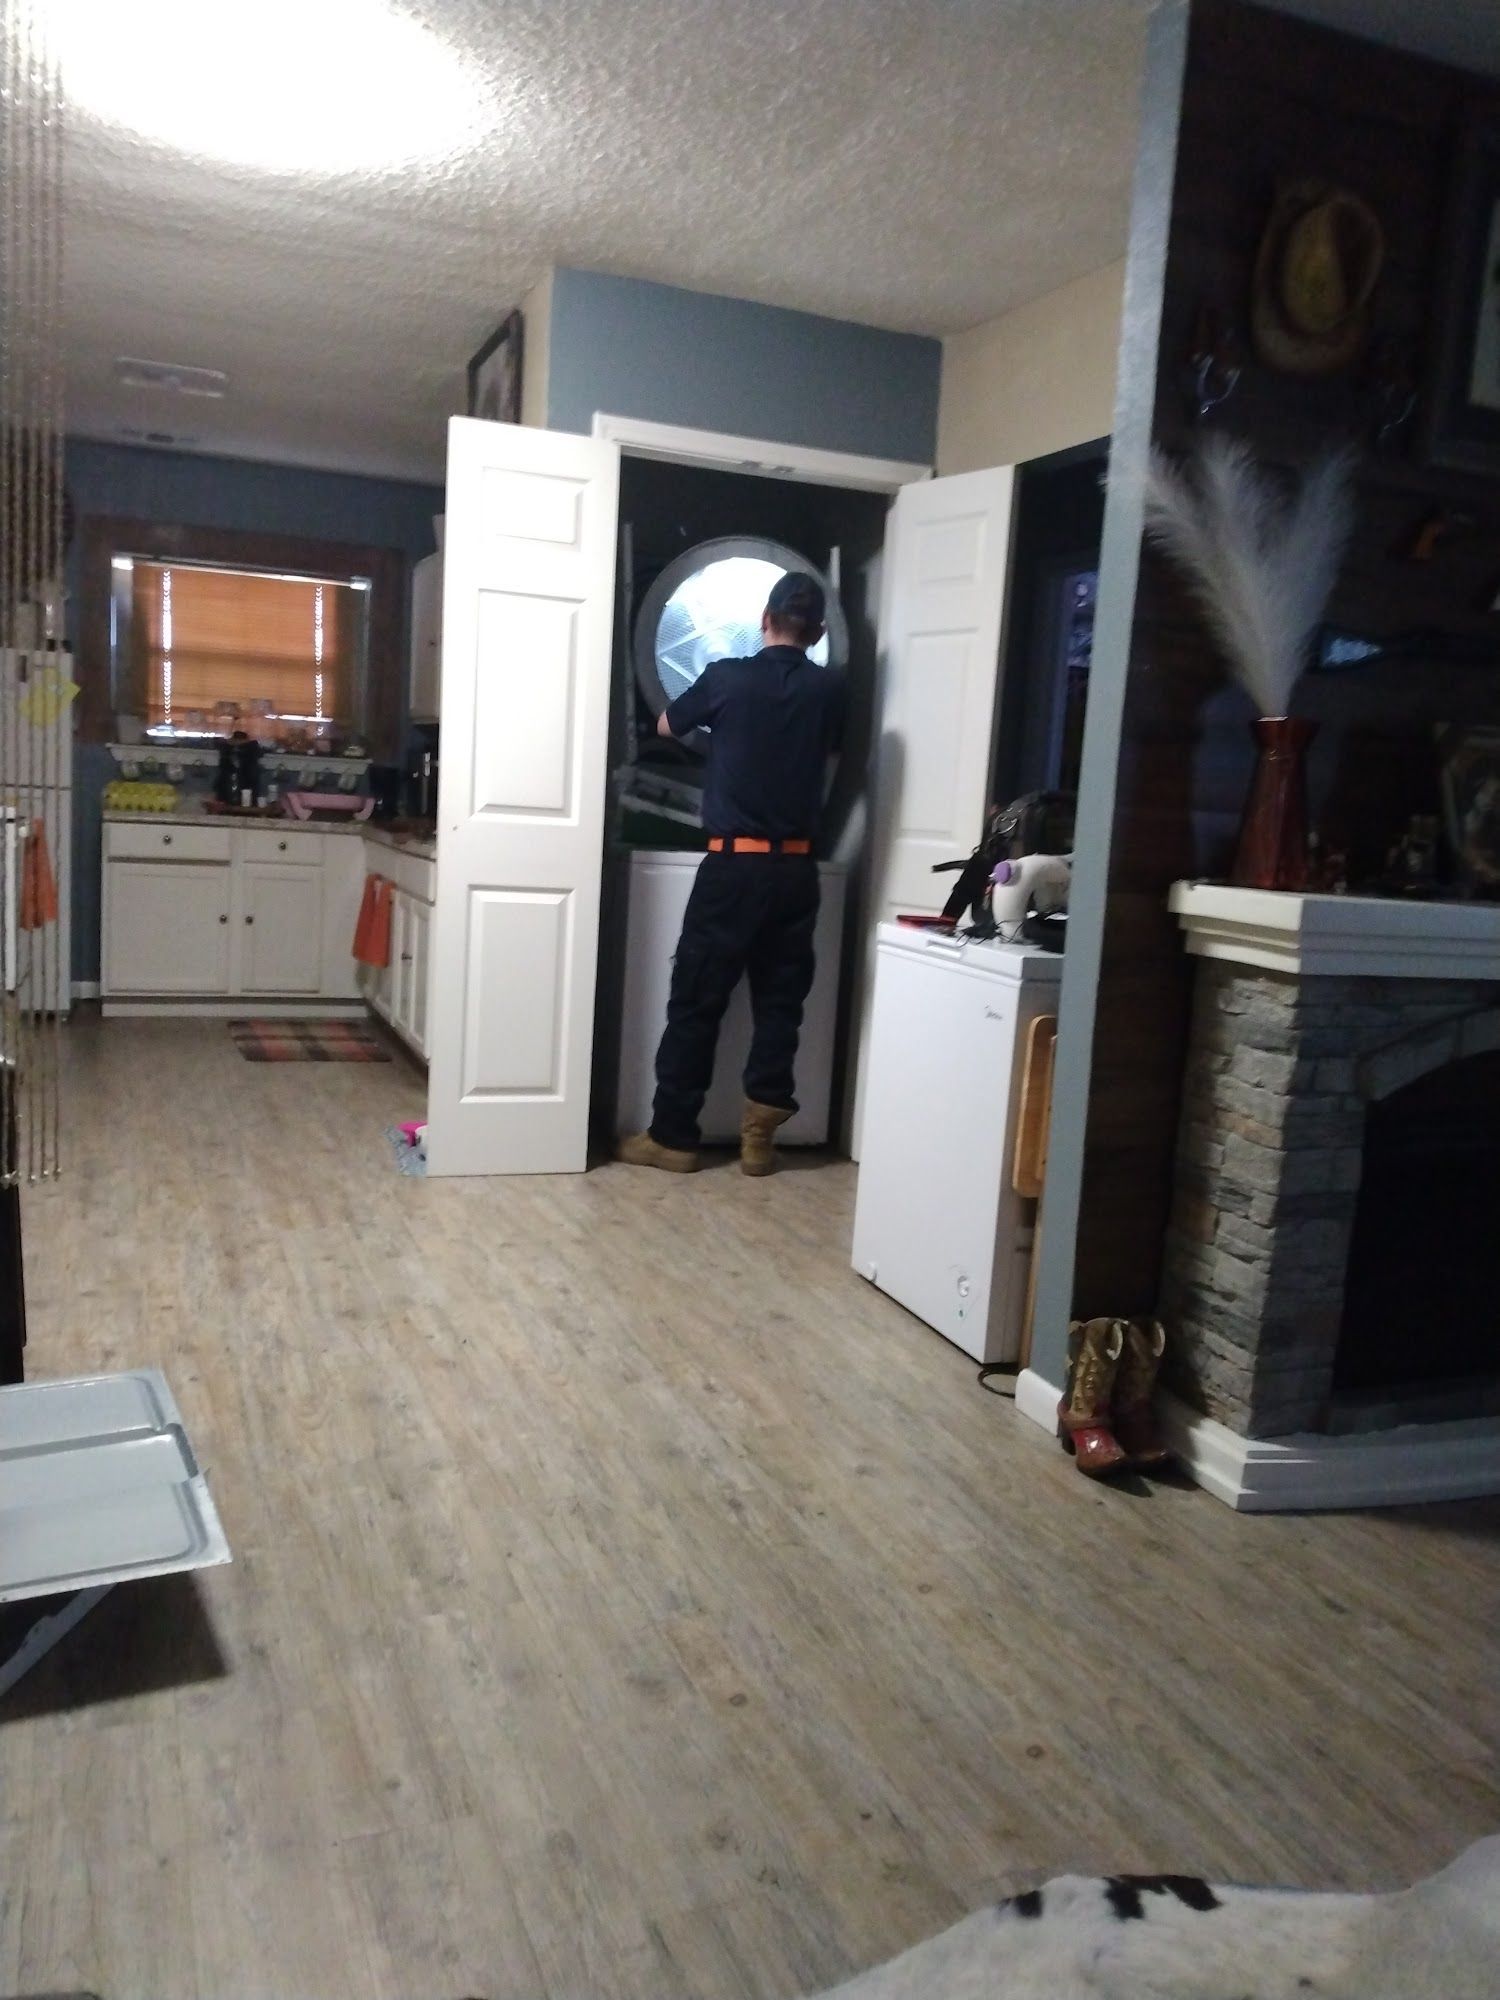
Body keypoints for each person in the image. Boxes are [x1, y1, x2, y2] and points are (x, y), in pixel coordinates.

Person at [617, 570, 846, 1177]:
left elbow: (670, 725)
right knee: (780, 1003)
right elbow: (829, 755)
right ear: (818, 631)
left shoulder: (726, 677)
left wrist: (729, 723)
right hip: (798, 871)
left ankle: (673, 1137)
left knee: (697, 999)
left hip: (732, 867)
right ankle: (757, 1142)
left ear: (764, 621)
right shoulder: (830, 691)